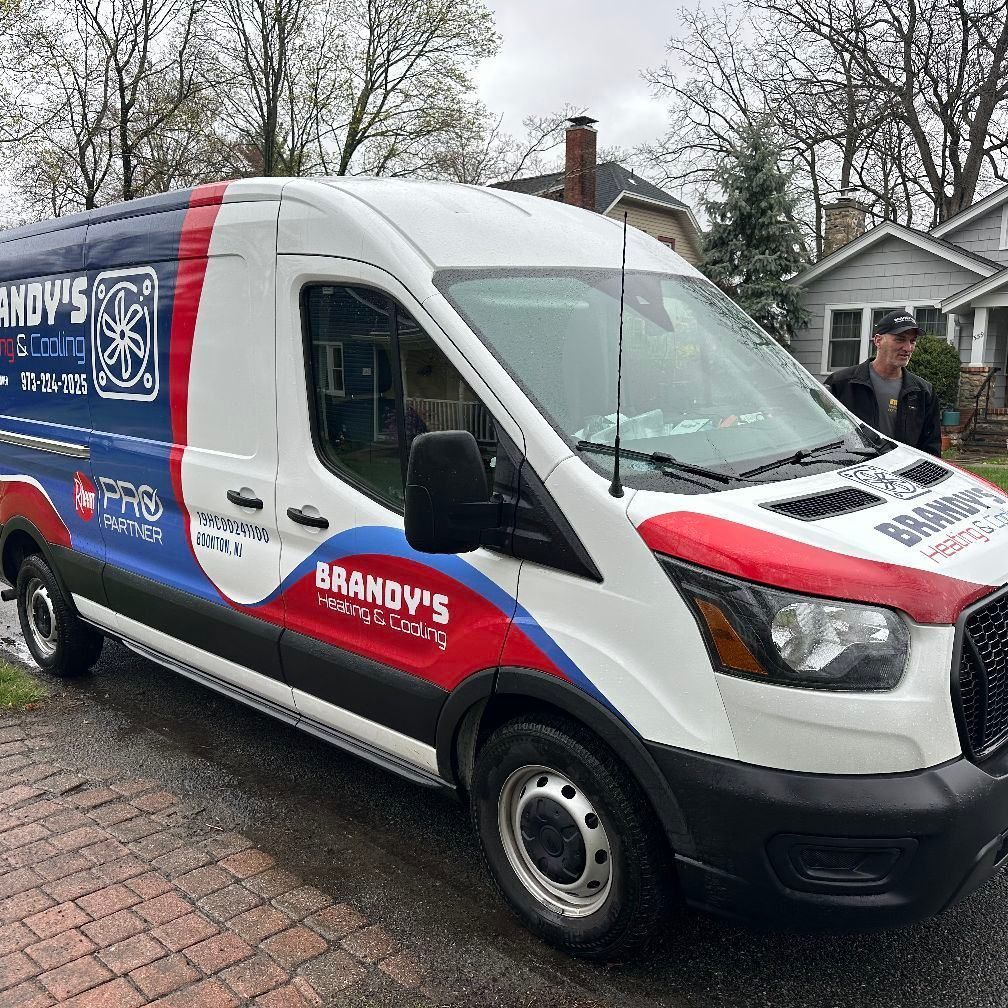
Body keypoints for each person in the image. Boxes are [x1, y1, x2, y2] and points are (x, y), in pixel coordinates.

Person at [824, 310, 942, 457]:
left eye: (912, 341)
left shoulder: (923, 392)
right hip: (852, 471)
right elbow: (823, 435)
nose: (908, 348)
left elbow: (931, 449)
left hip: (900, 472)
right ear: (878, 341)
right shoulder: (840, 384)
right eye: (900, 339)